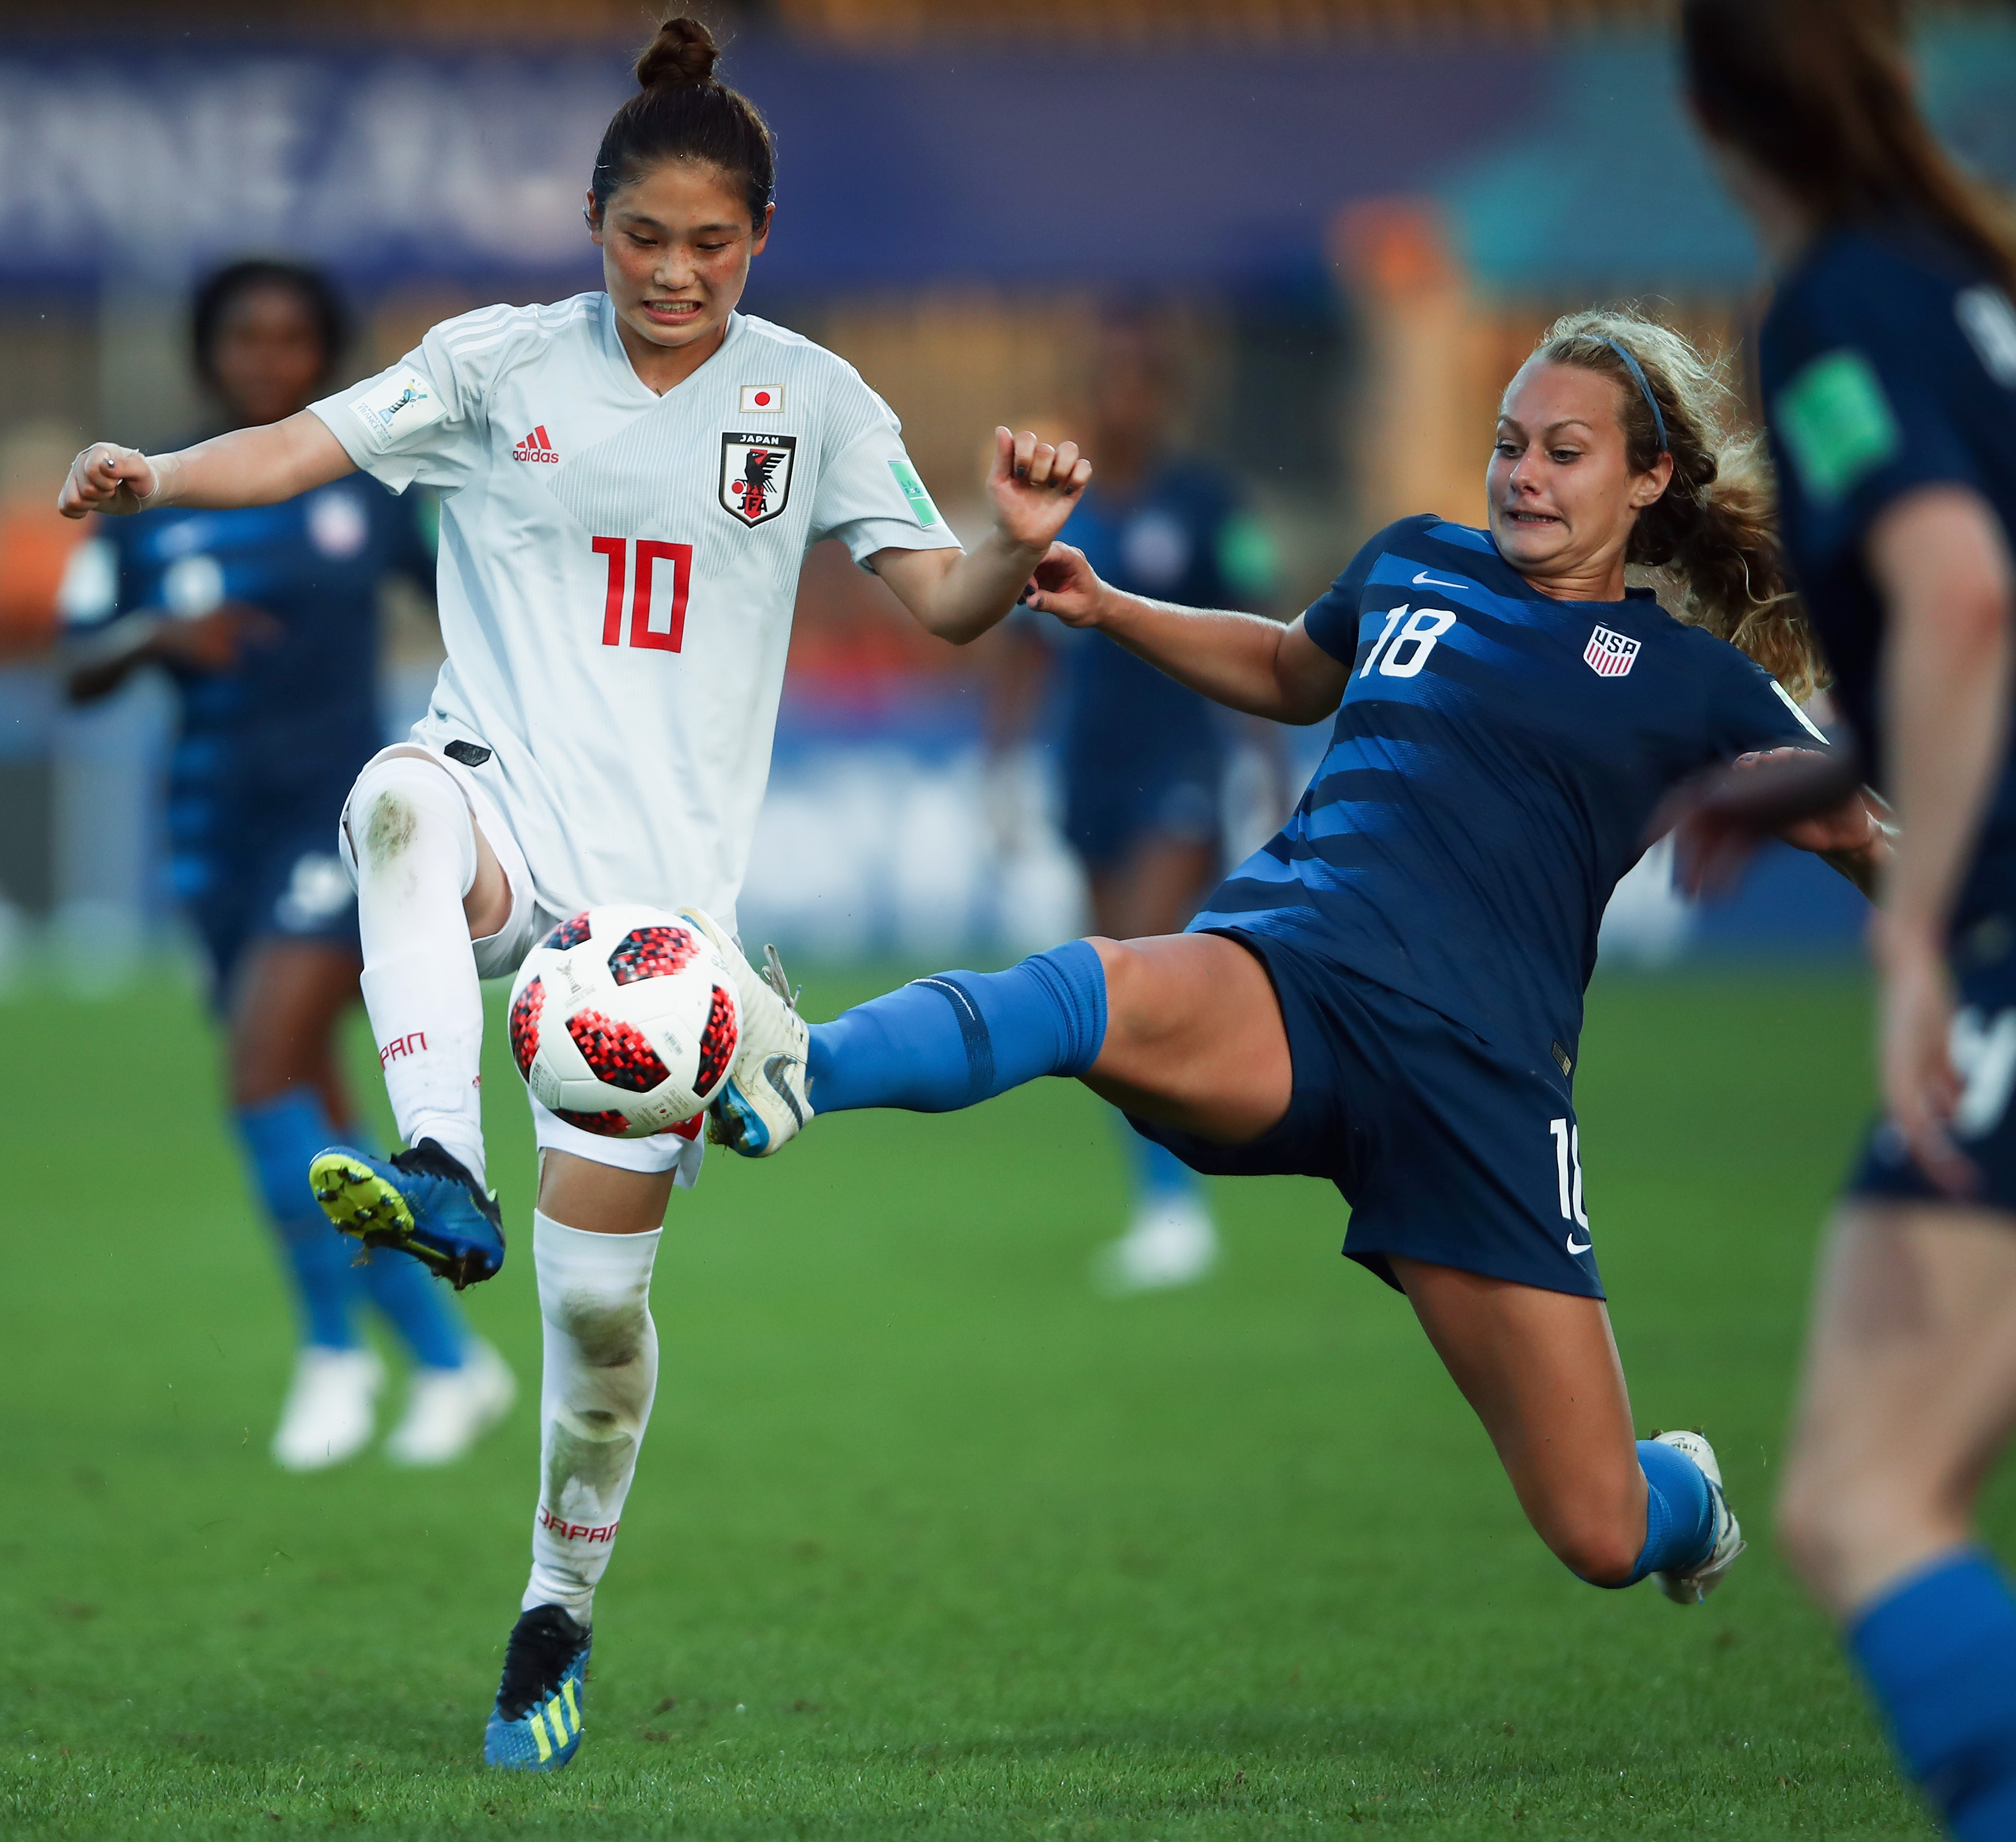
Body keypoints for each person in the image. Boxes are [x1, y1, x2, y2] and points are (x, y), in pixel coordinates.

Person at [59, 14, 1089, 1774]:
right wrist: (154, 475)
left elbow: (937, 596)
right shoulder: (492, 368)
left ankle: (554, 1610)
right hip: (501, 811)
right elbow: (298, 446)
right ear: (592, 224)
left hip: (653, 936)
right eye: (642, 239)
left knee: (597, 1319)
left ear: (758, 238)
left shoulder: (813, 399)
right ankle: (441, 1160)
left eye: (708, 244)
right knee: (395, 800)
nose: (673, 273)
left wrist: (1007, 539)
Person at [710, 305, 1895, 1631]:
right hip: (1299, 976)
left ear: (1648, 478)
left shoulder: (1691, 680)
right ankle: (799, 1063)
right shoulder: (1413, 564)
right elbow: (1288, 669)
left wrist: (1855, 841)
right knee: (1086, 988)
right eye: (1509, 446)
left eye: (1566, 452)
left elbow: (1883, 835)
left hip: (1482, 1089)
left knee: (1598, 1528)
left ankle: (1688, 1494)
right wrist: (1109, 607)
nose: (1525, 475)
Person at [1670, 3, 2016, 1835]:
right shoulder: (1970, 277)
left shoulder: (1833, 305)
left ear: (1708, 108)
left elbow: (1960, 596)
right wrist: (1809, 776)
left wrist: (1910, 935)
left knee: (1861, 1499)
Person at [60, 259, 513, 1473]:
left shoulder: (364, 487)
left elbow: (474, 606)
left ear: (323, 356)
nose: (270, 361)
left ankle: (335, 1351)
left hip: (342, 822)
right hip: (211, 826)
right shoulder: (151, 486)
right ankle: (449, 1361)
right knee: (303, 1103)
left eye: (294, 341)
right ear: (212, 353)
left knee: (263, 1076)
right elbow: (76, 666)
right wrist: (157, 636)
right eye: (247, 339)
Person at [989, 310, 1278, 1293]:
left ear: (1162, 399)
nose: (1125, 402)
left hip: (1182, 770)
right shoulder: (1062, 511)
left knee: (1138, 971)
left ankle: (1180, 1207)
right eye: (1109, 383)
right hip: (1090, 772)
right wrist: (1004, 771)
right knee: (1109, 1008)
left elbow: (1264, 637)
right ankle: (1163, 1196)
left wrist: (1270, 774)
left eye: (1140, 384)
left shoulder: (1208, 504)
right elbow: (1023, 652)